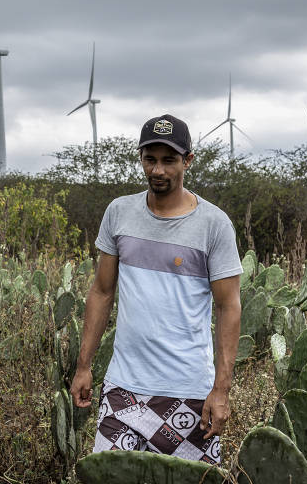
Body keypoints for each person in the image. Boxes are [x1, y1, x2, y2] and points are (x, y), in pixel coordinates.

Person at [70, 114, 243, 464]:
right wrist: (84, 365)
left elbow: (229, 307)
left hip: (189, 393)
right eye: (150, 159)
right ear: (140, 159)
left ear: (188, 161)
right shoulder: (119, 213)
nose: (158, 170)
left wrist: (221, 390)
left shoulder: (214, 224)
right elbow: (102, 292)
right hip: (123, 389)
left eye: (169, 160)